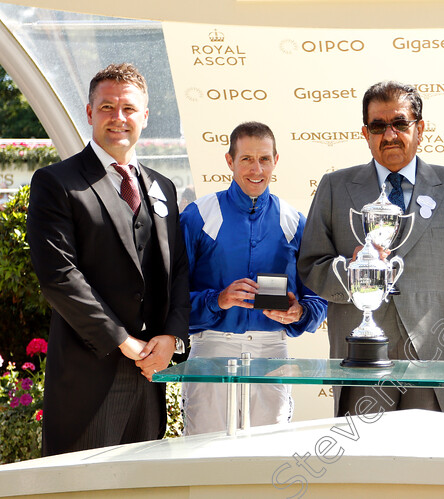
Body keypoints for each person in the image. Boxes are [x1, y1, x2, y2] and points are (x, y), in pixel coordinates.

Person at [298, 81, 444, 416]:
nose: (389, 135)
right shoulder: (334, 187)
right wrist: (351, 270)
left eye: (400, 124)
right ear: (365, 132)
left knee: (429, 462)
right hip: (360, 358)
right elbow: (311, 265)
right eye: (378, 126)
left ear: (420, 129)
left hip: (435, 354)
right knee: (365, 464)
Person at [27, 63, 190, 456]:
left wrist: (171, 336)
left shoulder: (161, 186)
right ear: (89, 113)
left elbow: (179, 271)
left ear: (145, 116)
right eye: (107, 107)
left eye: (129, 109)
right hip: (87, 378)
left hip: (149, 379)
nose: (119, 118)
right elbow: (60, 276)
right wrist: (122, 340)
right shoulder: (56, 183)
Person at [179, 122, 327, 435]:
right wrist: (217, 299)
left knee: (266, 462)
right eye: (246, 159)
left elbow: (317, 298)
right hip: (212, 350)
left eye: (264, 159)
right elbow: (170, 299)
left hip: (272, 352)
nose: (256, 168)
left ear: (276, 160)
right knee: (205, 459)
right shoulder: (198, 216)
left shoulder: (294, 221)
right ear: (229, 161)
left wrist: (299, 312)